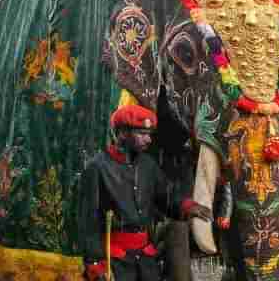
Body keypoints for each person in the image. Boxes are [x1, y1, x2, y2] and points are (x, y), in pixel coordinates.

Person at [76, 105, 210, 281]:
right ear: (123, 133)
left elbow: (166, 196)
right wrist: (94, 263)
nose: (148, 140)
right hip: (115, 260)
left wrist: (187, 206)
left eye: (149, 134)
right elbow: (88, 220)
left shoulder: (148, 164)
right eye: (142, 134)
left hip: (146, 259)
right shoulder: (97, 168)